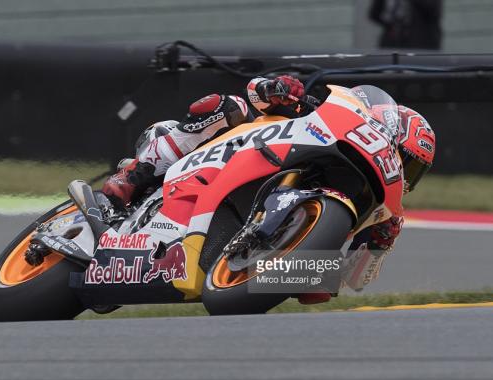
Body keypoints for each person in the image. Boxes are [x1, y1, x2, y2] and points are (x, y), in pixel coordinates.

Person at [102, 76, 436, 304]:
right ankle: (135, 175)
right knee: (228, 106)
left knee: (317, 287)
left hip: (258, 261)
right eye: (405, 158)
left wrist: (376, 248)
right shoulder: (315, 113)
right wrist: (281, 89)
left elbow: (356, 280)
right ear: (384, 128)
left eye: (414, 170)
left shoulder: (382, 213)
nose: (404, 172)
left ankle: (240, 264)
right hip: (229, 156)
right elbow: (255, 89)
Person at [369, 0, 442, 49]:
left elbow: (434, 12)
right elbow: (374, 14)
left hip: (421, 44)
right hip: (391, 43)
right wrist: (390, 25)